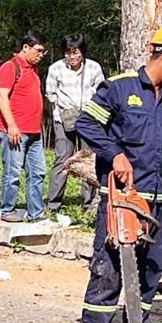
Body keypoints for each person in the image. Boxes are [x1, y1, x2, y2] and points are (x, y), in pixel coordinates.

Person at [75, 24, 162, 323]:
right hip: (124, 202)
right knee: (109, 271)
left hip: (158, 203)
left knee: (152, 270)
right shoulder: (119, 89)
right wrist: (114, 153)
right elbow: (86, 122)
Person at [45, 33, 105, 213]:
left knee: (88, 159)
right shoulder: (55, 69)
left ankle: (89, 203)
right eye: (68, 52)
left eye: (75, 52)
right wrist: (65, 107)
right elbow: (50, 93)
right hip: (62, 119)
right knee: (62, 159)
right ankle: (53, 203)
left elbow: (101, 91)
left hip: (89, 119)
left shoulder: (94, 68)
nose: (72, 57)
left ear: (82, 52)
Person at [0, 32, 49, 223]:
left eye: (43, 51)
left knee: (38, 171)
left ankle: (36, 211)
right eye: (38, 50)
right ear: (26, 47)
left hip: (34, 131)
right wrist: (11, 125)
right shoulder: (11, 67)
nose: (41, 54)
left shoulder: (32, 69)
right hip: (15, 130)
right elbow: (2, 97)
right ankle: (7, 209)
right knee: (13, 171)